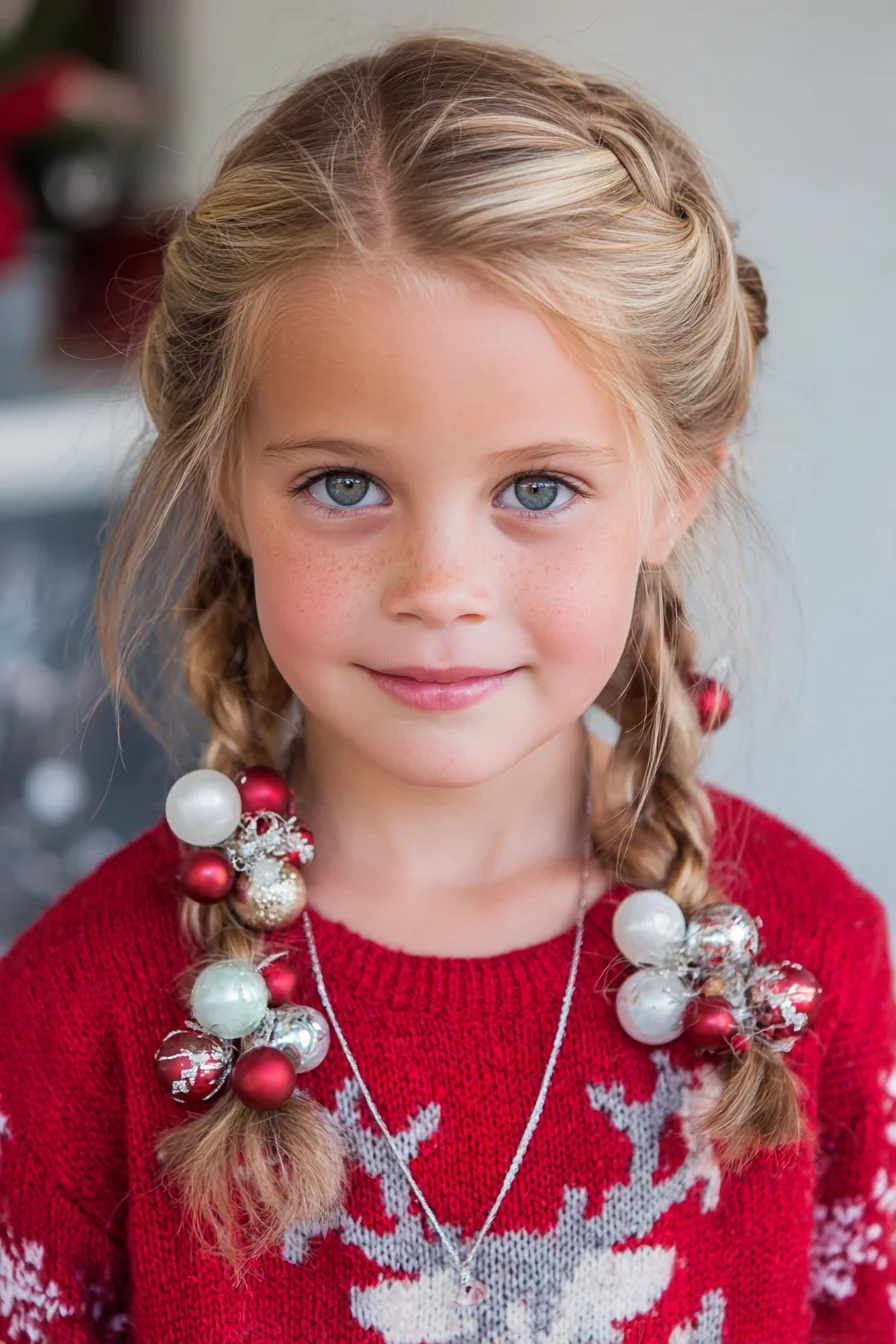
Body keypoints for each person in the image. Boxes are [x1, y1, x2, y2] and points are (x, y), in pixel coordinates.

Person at [0, 30, 893, 1344]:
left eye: (537, 489)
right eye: (344, 485)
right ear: (227, 482)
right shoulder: (83, 1004)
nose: (441, 584)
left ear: (677, 489)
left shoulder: (814, 966)